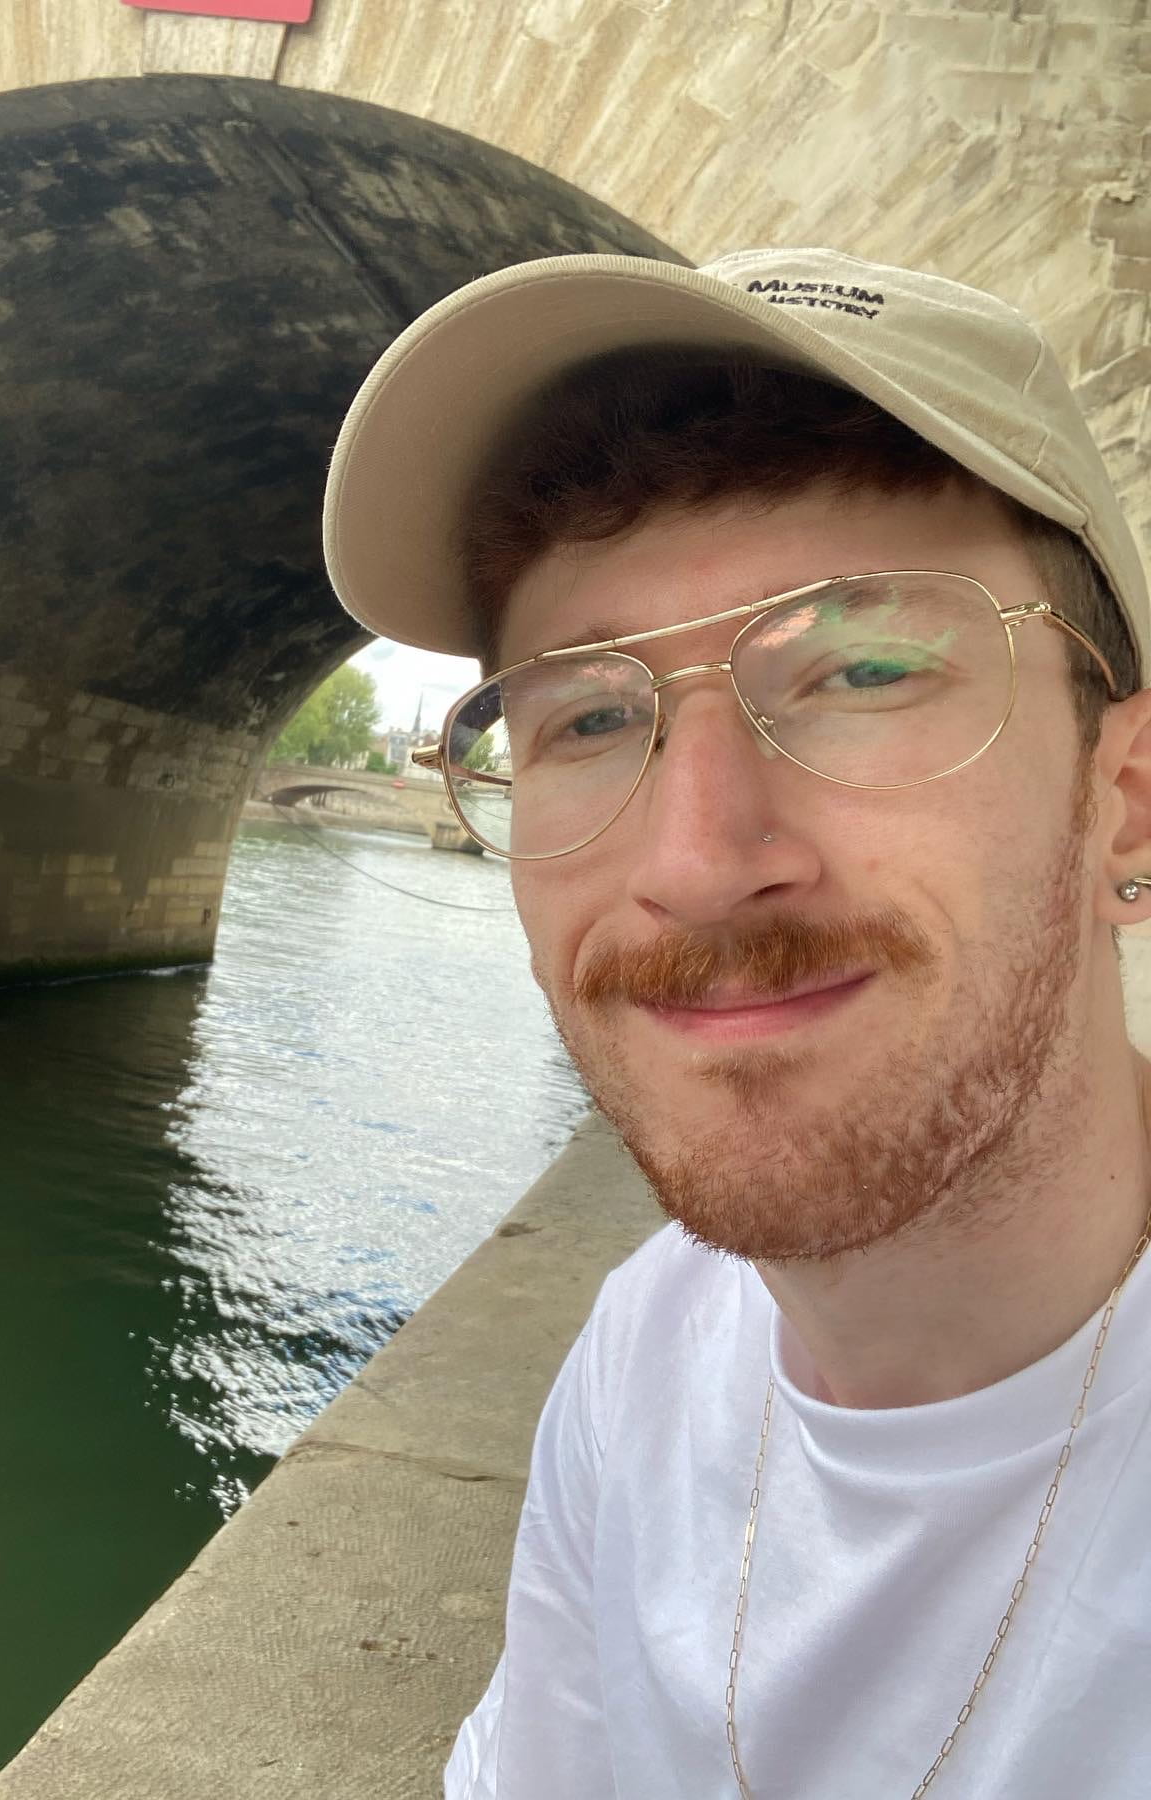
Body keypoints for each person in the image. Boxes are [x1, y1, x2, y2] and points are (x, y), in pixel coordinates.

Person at [321, 248, 1151, 1798]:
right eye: (586, 714)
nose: (699, 863)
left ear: (1125, 799)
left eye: (863, 668)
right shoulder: (648, 1347)